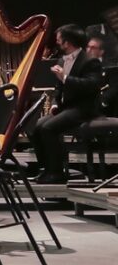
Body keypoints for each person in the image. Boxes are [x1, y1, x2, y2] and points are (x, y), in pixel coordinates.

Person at [31, 24, 104, 183]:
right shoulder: (62, 60)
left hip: (84, 107)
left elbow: (91, 85)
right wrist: (56, 102)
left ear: (68, 42)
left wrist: (65, 77)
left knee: (48, 128)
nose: (57, 42)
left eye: (59, 39)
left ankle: (56, 172)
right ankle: (46, 169)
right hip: (68, 107)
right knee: (36, 127)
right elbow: (59, 87)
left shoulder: (90, 61)